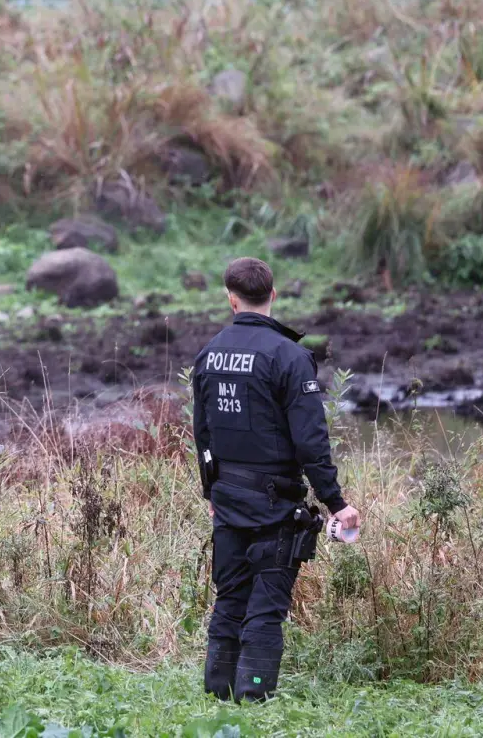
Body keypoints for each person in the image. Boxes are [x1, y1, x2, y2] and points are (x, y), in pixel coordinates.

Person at [192, 257, 362, 702]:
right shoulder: (289, 356)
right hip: (274, 505)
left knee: (230, 599)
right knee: (265, 608)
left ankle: (217, 695)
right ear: (274, 294)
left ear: (231, 298)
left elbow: (203, 433)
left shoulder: (209, 354)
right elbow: (310, 441)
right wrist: (336, 503)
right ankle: (254, 699)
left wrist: (211, 490)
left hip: (227, 500)